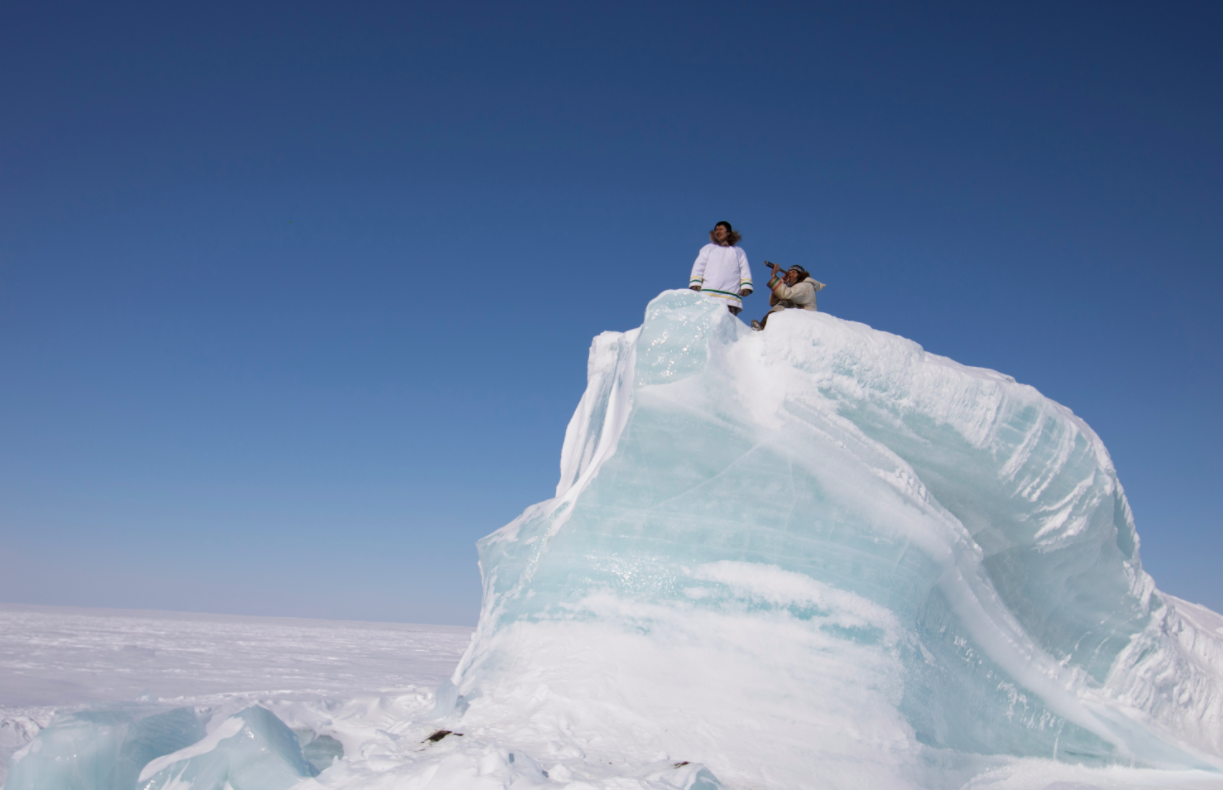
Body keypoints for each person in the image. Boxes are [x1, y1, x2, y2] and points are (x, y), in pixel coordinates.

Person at [689, 221, 753, 315]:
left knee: (727, 323)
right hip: (709, 292)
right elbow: (699, 266)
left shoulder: (738, 251)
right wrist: (696, 282)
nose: (718, 232)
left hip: (730, 295)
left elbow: (744, 269)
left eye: (721, 229)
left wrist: (746, 286)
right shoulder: (708, 248)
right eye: (716, 230)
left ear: (729, 232)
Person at [750, 262, 825, 330]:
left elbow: (784, 295)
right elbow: (773, 303)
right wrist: (783, 283)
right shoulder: (795, 288)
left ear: (800, 274)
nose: (790, 274)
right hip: (798, 320)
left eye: (793, 272)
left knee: (785, 304)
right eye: (789, 272)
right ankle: (764, 327)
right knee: (782, 304)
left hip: (805, 323)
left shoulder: (805, 286)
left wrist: (774, 276)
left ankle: (763, 326)